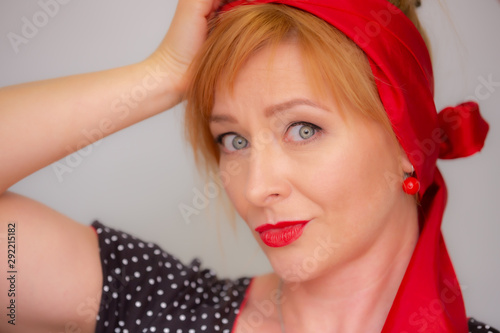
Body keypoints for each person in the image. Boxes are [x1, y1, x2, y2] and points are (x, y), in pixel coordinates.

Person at [0, 0, 497, 332]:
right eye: (233, 140)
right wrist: (163, 77)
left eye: (304, 129)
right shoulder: (169, 310)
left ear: (406, 140)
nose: (257, 188)